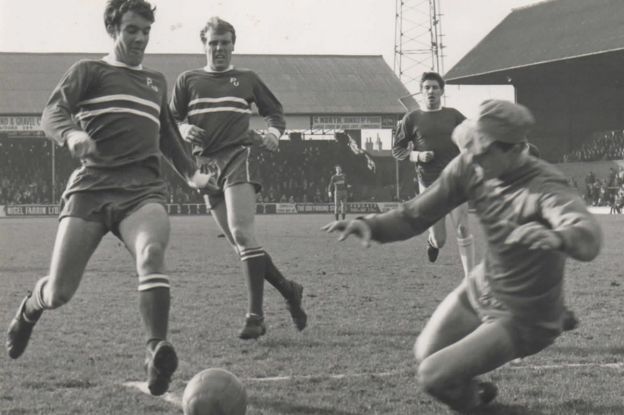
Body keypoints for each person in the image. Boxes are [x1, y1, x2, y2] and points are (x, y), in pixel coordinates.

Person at [323, 100, 602, 412]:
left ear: (514, 149)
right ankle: (475, 395)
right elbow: (417, 213)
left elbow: (587, 235)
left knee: (434, 376)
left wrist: (558, 236)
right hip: (485, 285)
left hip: (526, 313)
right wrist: (371, 226)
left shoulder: (545, 186)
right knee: (425, 353)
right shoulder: (470, 165)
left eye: (480, 151)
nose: (470, 156)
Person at [5, 0, 213, 396]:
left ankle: (155, 352)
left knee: (151, 253)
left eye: (145, 32)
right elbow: (52, 112)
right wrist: (72, 134)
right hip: (91, 189)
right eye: (131, 30)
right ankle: (30, 308)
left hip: (142, 191)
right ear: (113, 30)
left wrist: (194, 175)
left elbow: (167, 136)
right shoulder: (89, 71)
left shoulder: (156, 81)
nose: (139, 38)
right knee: (59, 292)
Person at [169, 16, 307, 340]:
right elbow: (170, 121)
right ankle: (289, 290)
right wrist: (183, 127)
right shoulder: (188, 80)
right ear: (204, 45)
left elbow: (275, 111)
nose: (219, 48)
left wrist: (273, 132)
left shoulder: (246, 79)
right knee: (240, 243)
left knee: (243, 234)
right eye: (213, 43)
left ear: (233, 45)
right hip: (205, 169)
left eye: (225, 43)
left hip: (238, 157)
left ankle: (255, 316)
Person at [393, 72, 475, 277]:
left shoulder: (454, 115)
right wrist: (418, 156)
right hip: (429, 182)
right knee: (440, 239)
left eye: (435, 87)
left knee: (463, 228)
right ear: (421, 92)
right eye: (427, 87)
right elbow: (397, 149)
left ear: (441, 91)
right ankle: (432, 242)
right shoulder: (412, 118)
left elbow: (472, 137)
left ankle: (470, 280)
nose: (431, 91)